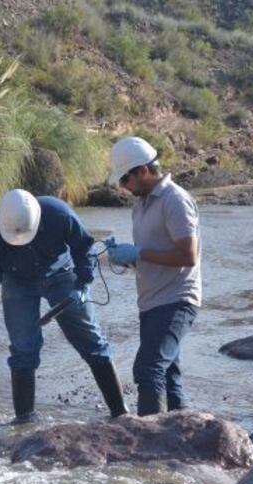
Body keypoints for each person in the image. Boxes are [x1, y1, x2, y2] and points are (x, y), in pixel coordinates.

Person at [0, 189, 127, 423]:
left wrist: (84, 283)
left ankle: (120, 414)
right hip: (17, 282)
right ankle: (24, 421)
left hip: (62, 274)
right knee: (23, 348)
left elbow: (84, 248)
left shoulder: (58, 213)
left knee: (91, 340)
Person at [105, 137, 202, 415]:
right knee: (169, 376)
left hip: (177, 299)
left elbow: (188, 256)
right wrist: (129, 258)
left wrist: (138, 253)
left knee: (148, 369)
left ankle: (150, 448)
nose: (123, 187)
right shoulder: (141, 206)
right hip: (151, 303)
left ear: (143, 171)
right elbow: (153, 254)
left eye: (125, 180)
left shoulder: (175, 200)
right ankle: (182, 439)